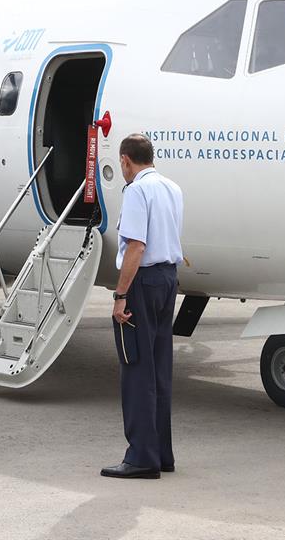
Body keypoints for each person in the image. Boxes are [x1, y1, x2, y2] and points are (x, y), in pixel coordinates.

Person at [101, 133, 184, 480]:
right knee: (159, 369)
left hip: (143, 282)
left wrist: (120, 295)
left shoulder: (136, 190)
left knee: (136, 370)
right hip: (168, 279)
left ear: (125, 160)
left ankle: (141, 457)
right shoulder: (172, 187)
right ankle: (162, 453)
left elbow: (136, 245)